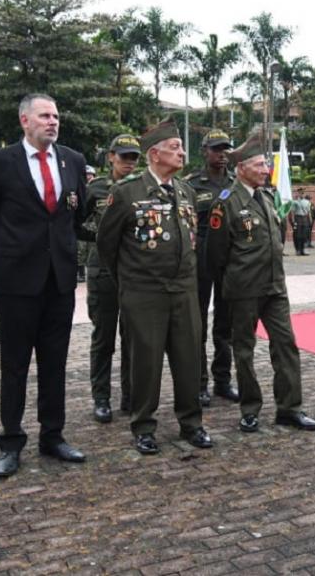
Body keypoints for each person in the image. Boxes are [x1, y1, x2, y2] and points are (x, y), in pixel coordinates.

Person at [0, 93, 90, 478]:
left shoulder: (73, 160)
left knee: (55, 363)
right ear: (24, 121)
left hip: (60, 279)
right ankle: (11, 441)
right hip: (15, 281)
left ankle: (52, 436)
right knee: (15, 364)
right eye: (44, 116)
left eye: (56, 115)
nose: (52, 122)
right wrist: (18, 245)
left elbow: (76, 212)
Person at [97, 120, 212, 455]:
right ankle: (143, 426)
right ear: (154, 153)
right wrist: (130, 283)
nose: (181, 152)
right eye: (174, 146)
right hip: (144, 292)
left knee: (189, 359)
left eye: (181, 146)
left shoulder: (186, 190)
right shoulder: (127, 192)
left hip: (184, 290)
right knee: (145, 363)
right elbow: (107, 245)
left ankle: (192, 423)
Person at [206, 133, 315, 432]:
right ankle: (250, 409)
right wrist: (234, 281)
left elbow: (277, 237)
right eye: (259, 164)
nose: (265, 169)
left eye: (266, 164)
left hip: (275, 287)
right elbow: (216, 255)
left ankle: (289, 408)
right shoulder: (226, 203)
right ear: (241, 167)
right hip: (244, 290)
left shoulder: (267, 197)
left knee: (286, 346)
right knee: (244, 350)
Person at [84, 133, 140, 422]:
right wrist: (102, 237)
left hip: (133, 271)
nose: (128, 163)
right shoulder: (96, 189)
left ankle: (130, 397)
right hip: (103, 270)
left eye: (133, 158)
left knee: (133, 337)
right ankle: (101, 398)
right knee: (103, 337)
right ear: (110, 157)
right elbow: (74, 224)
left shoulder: (143, 189)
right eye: (123, 157)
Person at [184, 129, 238, 407]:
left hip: (227, 256)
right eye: (216, 149)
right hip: (201, 254)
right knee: (198, 323)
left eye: (226, 149)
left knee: (225, 324)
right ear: (204, 151)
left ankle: (223, 381)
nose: (222, 154)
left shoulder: (235, 182)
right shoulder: (192, 183)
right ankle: (199, 383)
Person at [291, 188, 313, 256]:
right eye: (300, 193)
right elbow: (293, 212)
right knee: (297, 235)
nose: (301, 194)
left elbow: (309, 212)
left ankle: (303, 250)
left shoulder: (307, 202)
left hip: (305, 219)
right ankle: (297, 250)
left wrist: (310, 220)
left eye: (302, 193)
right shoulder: (294, 202)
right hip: (298, 218)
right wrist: (293, 221)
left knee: (304, 235)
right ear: (297, 193)